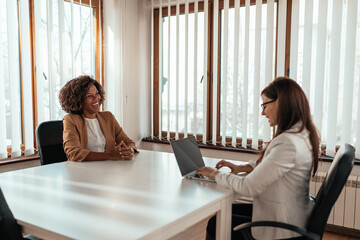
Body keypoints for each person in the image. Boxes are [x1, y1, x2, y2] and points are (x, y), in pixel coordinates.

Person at [196, 77, 320, 239]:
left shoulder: (288, 142)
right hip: (291, 216)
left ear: (281, 102)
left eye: (265, 105)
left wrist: (215, 174)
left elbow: (248, 187)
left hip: (281, 227)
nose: (262, 112)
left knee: (216, 222)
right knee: (223, 215)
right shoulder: (301, 135)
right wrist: (242, 168)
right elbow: (276, 165)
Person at [59, 75, 137, 162]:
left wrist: (130, 150)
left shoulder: (108, 117)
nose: (96, 98)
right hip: (83, 171)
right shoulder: (70, 120)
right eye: (89, 96)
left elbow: (129, 142)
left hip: (107, 169)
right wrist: (111, 156)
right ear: (78, 100)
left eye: (97, 93)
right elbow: (74, 153)